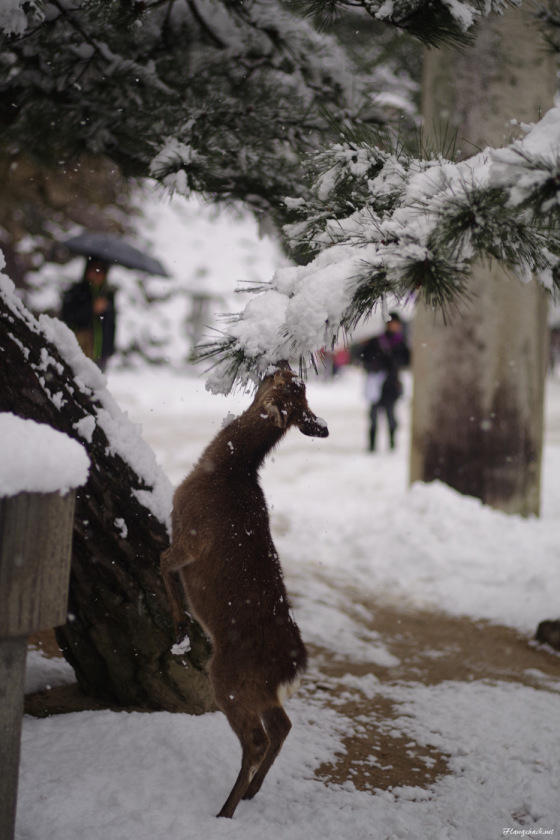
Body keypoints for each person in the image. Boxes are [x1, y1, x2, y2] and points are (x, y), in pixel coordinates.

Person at [357, 312, 410, 451]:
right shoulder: (377, 340)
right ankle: (372, 446)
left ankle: (392, 444)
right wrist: (376, 364)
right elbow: (365, 357)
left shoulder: (401, 342)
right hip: (377, 384)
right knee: (373, 417)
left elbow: (406, 360)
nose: (395, 326)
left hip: (391, 385)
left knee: (391, 417)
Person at [61, 258, 116, 370]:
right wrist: (91, 309)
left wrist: (110, 348)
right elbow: (68, 316)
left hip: (101, 351)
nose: (96, 275)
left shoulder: (108, 294)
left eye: (100, 272)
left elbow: (111, 324)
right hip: (80, 348)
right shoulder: (77, 291)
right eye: (94, 270)